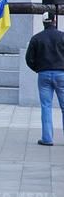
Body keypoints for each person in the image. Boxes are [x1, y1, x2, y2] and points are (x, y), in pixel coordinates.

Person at [25, 12, 64, 146]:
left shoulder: (36, 38)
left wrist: (38, 69)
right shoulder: (62, 36)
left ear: (43, 22)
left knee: (46, 107)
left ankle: (47, 138)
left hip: (44, 74)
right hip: (61, 74)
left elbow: (29, 59)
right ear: (54, 20)